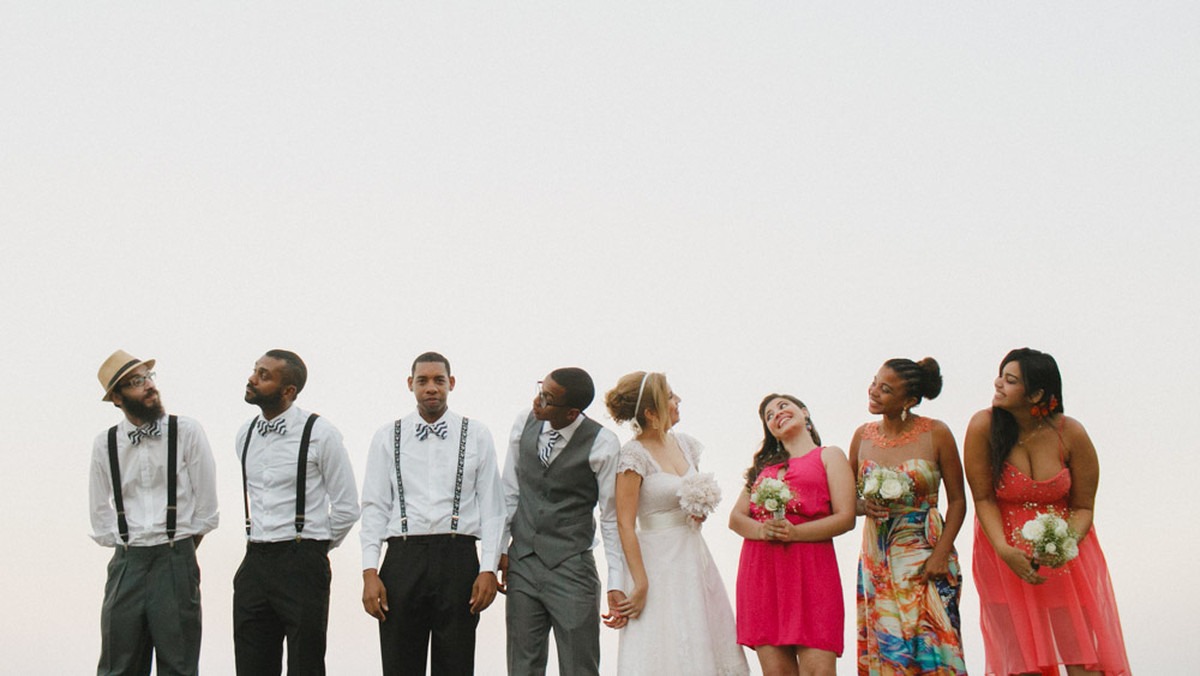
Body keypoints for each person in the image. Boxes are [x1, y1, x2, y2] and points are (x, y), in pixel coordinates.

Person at [964, 348, 1129, 675]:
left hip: (1062, 560)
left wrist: (1064, 544)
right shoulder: (983, 425)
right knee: (1022, 663)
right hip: (1003, 554)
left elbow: (1083, 506)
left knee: (1082, 658)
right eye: (1001, 376)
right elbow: (982, 498)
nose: (998, 384)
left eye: (1010, 381)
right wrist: (1004, 550)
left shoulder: (1071, 433)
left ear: (1036, 393)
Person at [360, 352, 506, 675]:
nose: (431, 388)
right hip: (402, 558)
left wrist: (488, 568)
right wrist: (369, 571)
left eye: (439, 380)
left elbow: (493, 509)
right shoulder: (387, 436)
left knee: (456, 664)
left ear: (451, 384)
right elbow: (373, 507)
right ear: (410, 384)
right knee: (399, 664)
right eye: (423, 380)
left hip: (458, 557)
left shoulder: (477, 434)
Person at [604, 371, 748, 676]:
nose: (677, 400)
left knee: (700, 633)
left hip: (693, 556)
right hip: (656, 561)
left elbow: (686, 499)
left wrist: (699, 510)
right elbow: (625, 524)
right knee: (661, 640)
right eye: (670, 396)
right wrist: (640, 582)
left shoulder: (686, 444)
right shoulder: (633, 455)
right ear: (651, 412)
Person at [90, 350, 219, 676]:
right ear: (117, 398)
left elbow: (206, 509)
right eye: (136, 382)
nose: (148, 386)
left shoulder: (186, 432)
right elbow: (99, 515)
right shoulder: (105, 444)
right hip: (126, 563)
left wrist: (177, 549)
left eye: (149, 377)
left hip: (175, 558)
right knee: (117, 665)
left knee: (178, 664)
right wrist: (130, 548)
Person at [233, 349, 360, 676]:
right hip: (255, 561)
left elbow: (346, 507)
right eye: (255, 370)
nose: (252, 379)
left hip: (302, 563)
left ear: (288, 391)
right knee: (251, 665)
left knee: (305, 665)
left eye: (264, 375)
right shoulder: (244, 435)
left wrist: (313, 546)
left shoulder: (320, 433)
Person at [499, 367, 628, 676]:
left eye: (548, 398)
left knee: (579, 666)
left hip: (572, 568)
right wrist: (499, 553)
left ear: (572, 413)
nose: (537, 400)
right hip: (523, 562)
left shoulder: (603, 444)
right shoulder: (523, 422)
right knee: (522, 667)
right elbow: (509, 493)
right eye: (541, 389)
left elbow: (611, 519)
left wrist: (616, 582)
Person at [848, 358, 967, 675]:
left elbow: (958, 501)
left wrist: (941, 554)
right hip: (878, 558)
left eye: (885, 389)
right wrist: (863, 506)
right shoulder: (862, 436)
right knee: (890, 650)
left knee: (935, 644)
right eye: (874, 382)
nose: (873, 392)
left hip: (926, 554)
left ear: (910, 401)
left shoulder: (937, 433)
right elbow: (847, 498)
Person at [729, 394, 855, 676]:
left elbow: (846, 517)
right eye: (769, 415)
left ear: (805, 412)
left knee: (818, 671)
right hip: (763, 573)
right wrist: (763, 530)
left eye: (783, 406)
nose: (777, 414)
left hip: (812, 570)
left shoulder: (829, 455)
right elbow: (736, 519)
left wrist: (795, 532)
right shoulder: (764, 470)